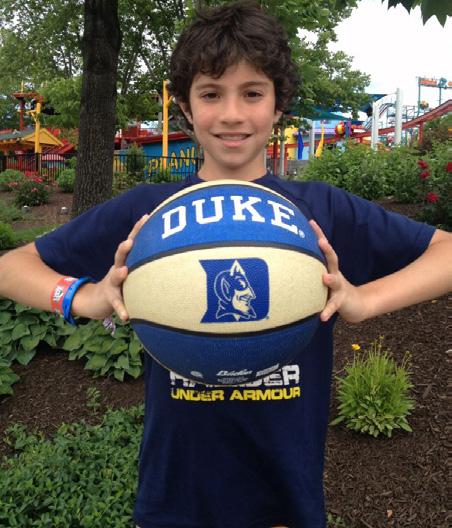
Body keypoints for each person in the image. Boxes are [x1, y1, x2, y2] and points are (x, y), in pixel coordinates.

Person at [0, 2, 450, 527]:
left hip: (283, 496)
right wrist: (85, 298)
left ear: (278, 104)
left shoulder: (321, 209)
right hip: (176, 498)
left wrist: (364, 301)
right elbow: (12, 266)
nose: (232, 114)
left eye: (252, 93)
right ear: (187, 108)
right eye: (211, 94)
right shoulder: (149, 212)